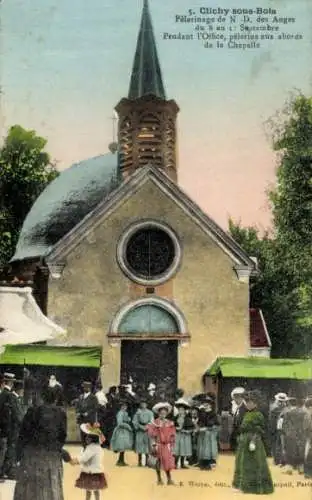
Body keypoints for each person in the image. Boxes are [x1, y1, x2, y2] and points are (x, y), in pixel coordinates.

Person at [13, 386, 67, 500]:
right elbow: (62, 437)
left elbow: (23, 435)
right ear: (56, 399)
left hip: (31, 457)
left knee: (29, 490)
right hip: (52, 458)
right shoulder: (61, 413)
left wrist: (18, 456)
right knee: (52, 489)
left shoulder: (33, 411)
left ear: (42, 397)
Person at [232, 390, 274, 495]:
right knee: (243, 463)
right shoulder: (247, 413)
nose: (248, 404)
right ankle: (243, 486)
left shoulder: (258, 415)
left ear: (255, 404)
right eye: (247, 402)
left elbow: (259, 430)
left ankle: (255, 488)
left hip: (252, 440)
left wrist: (253, 442)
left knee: (255, 464)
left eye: (250, 402)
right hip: (244, 441)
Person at [73, 423, 107, 500]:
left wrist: (75, 460)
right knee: (95, 490)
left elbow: (84, 458)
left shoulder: (91, 448)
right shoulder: (98, 448)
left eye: (88, 438)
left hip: (90, 472)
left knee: (88, 489)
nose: (86, 439)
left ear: (91, 440)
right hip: (97, 471)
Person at [147, 402, 176, 486]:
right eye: (161, 413)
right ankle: (159, 479)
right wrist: (153, 445)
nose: (163, 414)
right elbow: (151, 435)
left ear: (167, 413)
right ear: (158, 413)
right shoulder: (155, 423)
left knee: (167, 461)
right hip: (158, 445)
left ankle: (169, 479)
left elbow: (172, 435)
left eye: (165, 413)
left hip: (166, 446)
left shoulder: (169, 423)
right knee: (158, 462)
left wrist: (172, 444)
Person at [0, 372, 19, 479]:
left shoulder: (2, 394)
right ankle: (6, 471)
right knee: (8, 450)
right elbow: (14, 414)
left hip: (3, 427)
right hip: (8, 428)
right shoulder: (9, 396)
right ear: (11, 382)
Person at [282, 396, 307, 475]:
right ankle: (301, 468)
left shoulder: (288, 413)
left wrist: (286, 432)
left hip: (291, 434)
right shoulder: (303, 412)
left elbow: (284, 425)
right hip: (301, 434)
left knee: (290, 450)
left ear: (289, 403)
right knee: (300, 450)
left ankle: (289, 468)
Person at [197, 397, 220, 470]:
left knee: (208, 449)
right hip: (202, 433)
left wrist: (206, 427)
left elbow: (212, 423)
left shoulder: (213, 413)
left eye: (207, 404)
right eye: (204, 404)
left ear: (210, 405)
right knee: (202, 448)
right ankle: (202, 463)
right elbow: (200, 421)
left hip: (209, 433)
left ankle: (208, 464)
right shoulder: (202, 412)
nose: (205, 405)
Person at [110, 401, 133, 466]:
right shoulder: (120, 413)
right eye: (123, 406)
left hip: (125, 431)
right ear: (121, 407)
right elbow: (120, 423)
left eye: (125, 406)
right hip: (121, 430)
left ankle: (121, 460)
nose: (124, 407)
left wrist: (128, 419)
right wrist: (128, 426)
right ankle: (120, 461)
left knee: (124, 446)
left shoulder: (125, 413)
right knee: (122, 446)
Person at [268, 392, 288, 466]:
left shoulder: (285, 408)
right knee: (276, 445)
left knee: (281, 445)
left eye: (282, 401)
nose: (281, 403)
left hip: (282, 429)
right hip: (275, 429)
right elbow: (271, 420)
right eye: (280, 401)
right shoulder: (274, 408)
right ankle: (277, 460)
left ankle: (281, 460)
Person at [132, 399, 154, 467]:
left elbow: (152, 421)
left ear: (146, 405)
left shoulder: (150, 412)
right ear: (140, 404)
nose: (143, 405)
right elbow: (134, 421)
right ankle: (139, 461)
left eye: (145, 404)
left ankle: (147, 462)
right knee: (140, 445)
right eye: (142, 404)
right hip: (140, 430)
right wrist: (140, 426)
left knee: (147, 445)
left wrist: (147, 427)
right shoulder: (138, 412)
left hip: (147, 430)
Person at [173, 398, 193, 469]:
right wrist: (176, 428)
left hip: (185, 435)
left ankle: (182, 464)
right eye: (179, 409)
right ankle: (175, 463)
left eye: (182, 410)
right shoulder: (175, 418)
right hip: (178, 435)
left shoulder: (188, 419)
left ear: (185, 410)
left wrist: (186, 430)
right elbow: (172, 425)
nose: (180, 411)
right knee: (177, 449)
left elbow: (191, 428)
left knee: (183, 449)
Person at [230, 387, 247, 451]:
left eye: (240, 396)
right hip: (235, 431)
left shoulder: (245, 407)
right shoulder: (233, 405)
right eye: (236, 396)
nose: (237, 398)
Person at [303, 397, 312, 478]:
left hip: (308, 435)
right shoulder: (308, 414)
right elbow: (306, 427)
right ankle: (308, 472)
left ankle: (307, 472)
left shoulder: (307, 413)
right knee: (309, 453)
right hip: (309, 435)